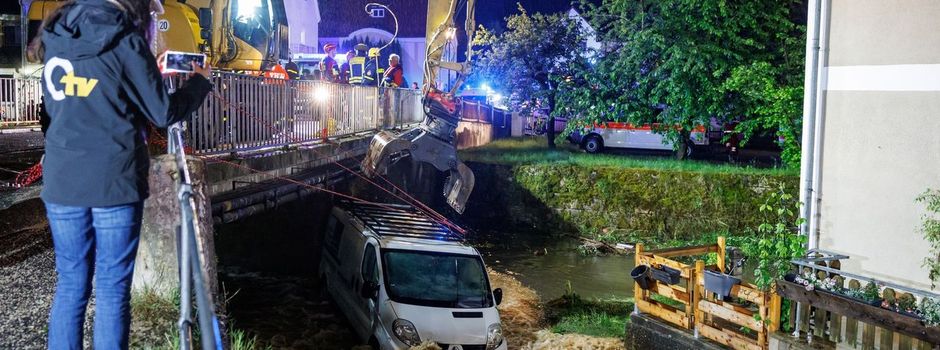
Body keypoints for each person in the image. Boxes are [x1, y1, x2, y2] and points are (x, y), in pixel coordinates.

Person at [28, 0, 212, 348]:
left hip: (63, 178)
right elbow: (162, 112)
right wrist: (200, 82)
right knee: (112, 290)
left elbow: (64, 104)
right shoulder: (126, 39)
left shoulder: (56, 34)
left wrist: (144, 72)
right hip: (115, 179)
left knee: (70, 286)